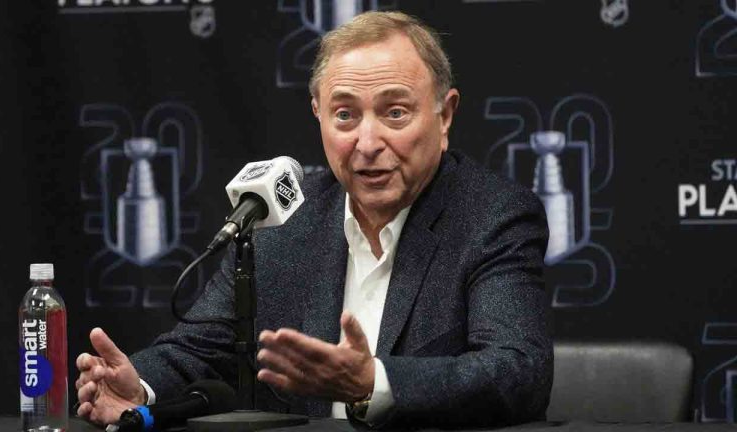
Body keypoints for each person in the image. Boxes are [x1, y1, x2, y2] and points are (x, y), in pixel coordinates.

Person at [75, 11, 552, 428]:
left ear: (444, 116)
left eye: (395, 112)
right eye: (345, 115)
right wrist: (137, 387)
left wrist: (375, 382)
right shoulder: (285, 218)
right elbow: (198, 349)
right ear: (317, 114)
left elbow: (516, 372)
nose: (367, 142)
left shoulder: (492, 216)